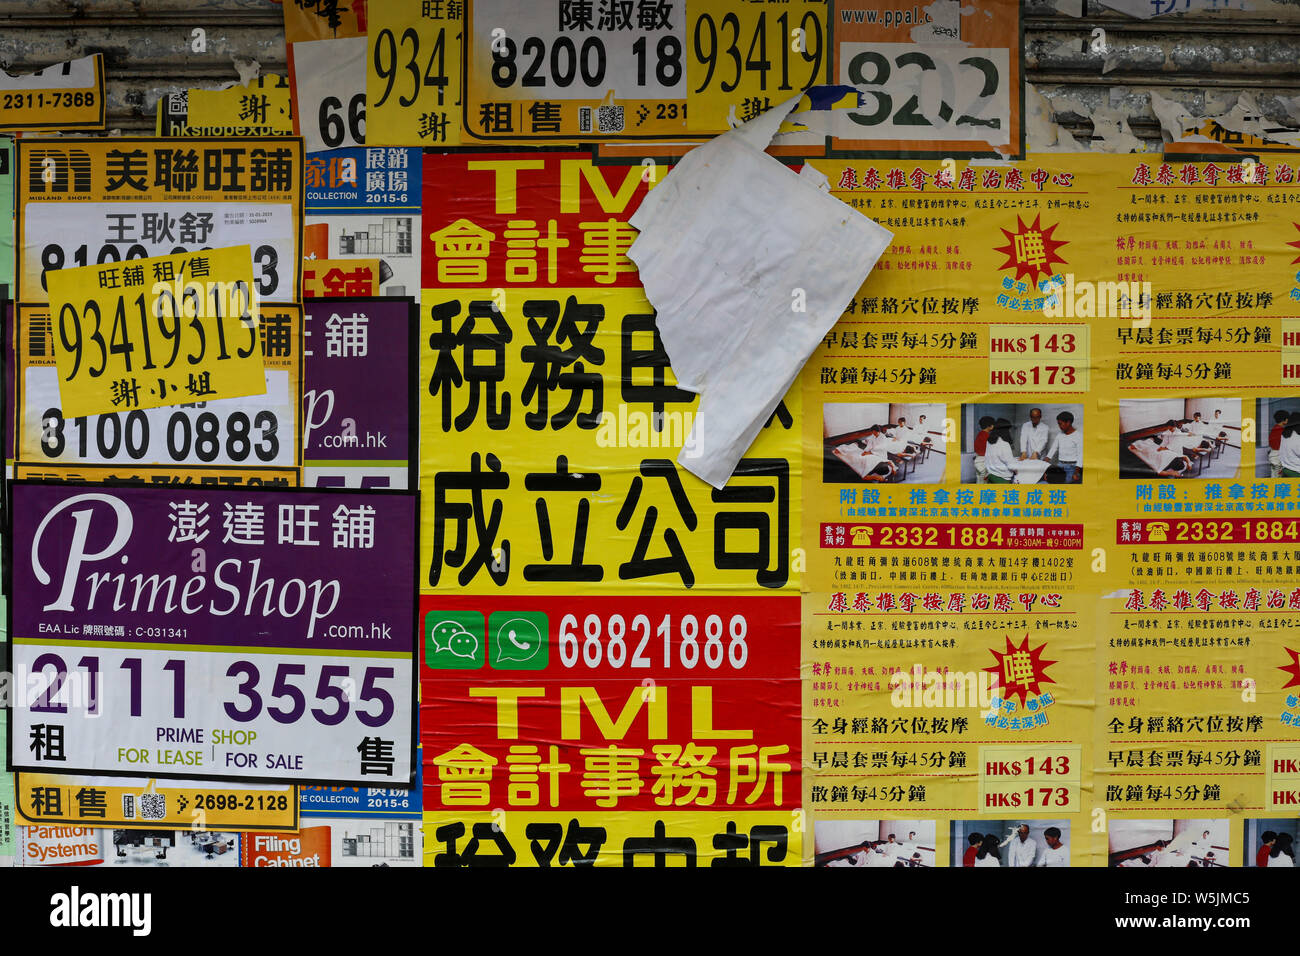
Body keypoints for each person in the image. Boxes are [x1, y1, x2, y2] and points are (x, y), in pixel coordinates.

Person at [1045, 410, 1082, 482]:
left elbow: (1081, 456)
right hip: (1060, 466)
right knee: (1050, 481)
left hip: (1072, 468)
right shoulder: (1060, 435)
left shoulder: (1079, 436)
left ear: (1068, 423)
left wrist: (1076, 473)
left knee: (1062, 484)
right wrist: (1044, 464)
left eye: (1060, 424)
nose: (1059, 426)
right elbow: (1053, 449)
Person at [984, 419, 1020, 484]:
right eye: (1008, 429)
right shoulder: (1004, 444)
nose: (1009, 431)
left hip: (991, 474)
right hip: (1002, 478)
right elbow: (1010, 464)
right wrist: (1016, 469)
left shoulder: (989, 441)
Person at [972, 416, 995, 483]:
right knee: (984, 481)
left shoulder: (980, 434)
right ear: (989, 426)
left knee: (979, 480)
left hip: (978, 459)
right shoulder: (987, 436)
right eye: (993, 424)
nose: (994, 426)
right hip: (983, 460)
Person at [1269, 411, 1288, 478]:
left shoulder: (1275, 428)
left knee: (1275, 475)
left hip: (1275, 455)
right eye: (1287, 419)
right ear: (1284, 420)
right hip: (1277, 456)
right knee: (1276, 476)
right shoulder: (1281, 430)